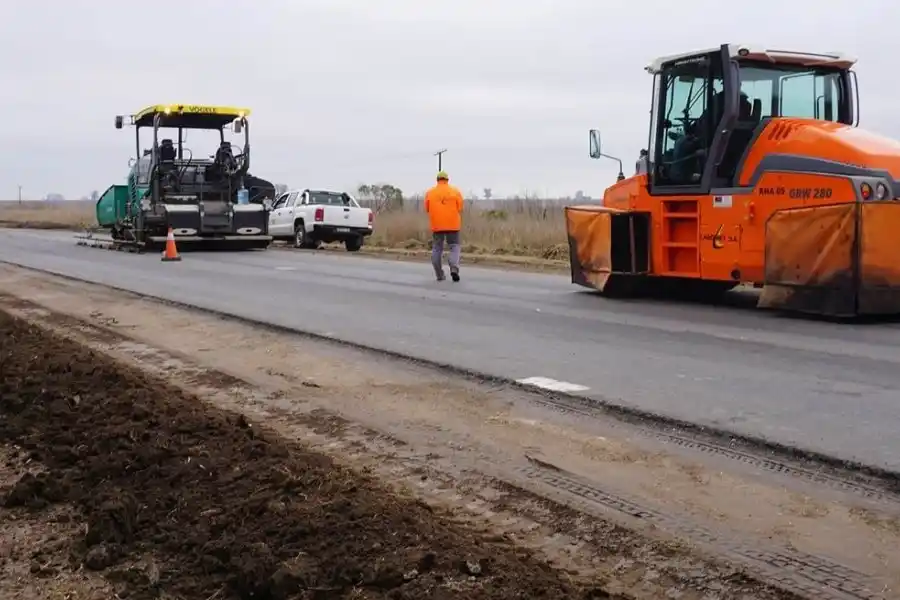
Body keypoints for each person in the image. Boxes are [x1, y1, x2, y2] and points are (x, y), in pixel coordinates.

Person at [424, 170, 464, 282]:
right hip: (453, 224)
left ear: (437, 180)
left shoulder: (430, 192)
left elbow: (427, 208)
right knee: (454, 246)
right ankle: (453, 267)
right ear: (447, 180)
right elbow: (460, 207)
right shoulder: (455, 191)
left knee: (437, 248)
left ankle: (439, 275)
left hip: (437, 225)